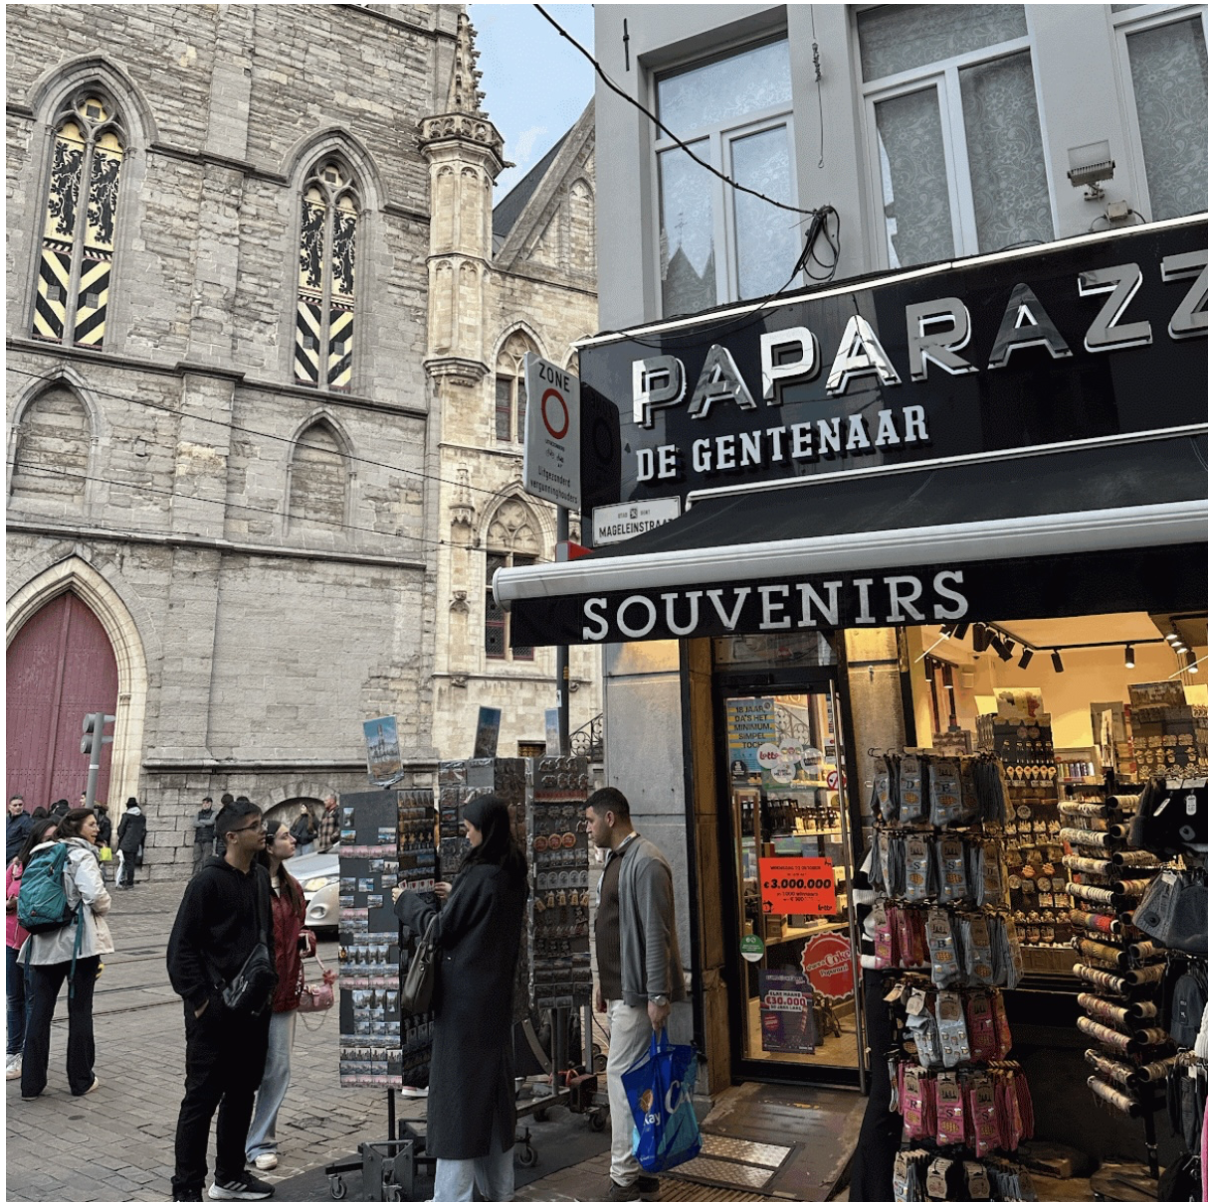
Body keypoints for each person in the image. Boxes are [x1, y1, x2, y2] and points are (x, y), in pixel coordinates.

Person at [392, 794, 527, 1202]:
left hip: (465, 1006)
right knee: (491, 1100)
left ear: (484, 828)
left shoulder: (482, 874)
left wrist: (407, 904)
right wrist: (458, 893)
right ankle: (498, 1189)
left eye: (469, 826)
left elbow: (440, 930)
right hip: (492, 1003)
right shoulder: (509, 870)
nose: (464, 832)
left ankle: (453, 1195)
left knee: (458, 1102)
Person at [166, 798, 276, 1202]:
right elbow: (180, 951)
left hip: (252, 1010)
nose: (262, 831)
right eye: (254, 826)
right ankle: (187, 1188)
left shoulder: (260, 878)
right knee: (201, 1100)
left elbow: (263, 940)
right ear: (231, 836)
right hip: (213, 1014)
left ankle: (230, 1175)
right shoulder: (206, 882)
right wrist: (201, 1004)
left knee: (242, 1093)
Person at [583, 787, 686, 1202]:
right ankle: (641, 1169)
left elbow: (656, 935)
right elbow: (614, 929)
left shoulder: (646, 862)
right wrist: (602, 982)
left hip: (639, 995)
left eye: (590, 821)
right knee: (636, 1081)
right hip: (621, 990)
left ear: (610, 818)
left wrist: (658, 995)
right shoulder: (619, 859)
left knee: (620, 1080)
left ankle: (623, 1176)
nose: (586, 829)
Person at [245, 818, 327, 1171]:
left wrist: (304, 940)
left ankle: (262, 1140)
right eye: (284, 836)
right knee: (248, 1069)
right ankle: (240, 1137)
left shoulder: (292, 886)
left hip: (285, 989)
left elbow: (295, 928)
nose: (293, 839)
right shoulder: (251, 884)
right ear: (267, 845)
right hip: (250, 993)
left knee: (278, 1068)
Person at [19, 809, 113, 1099]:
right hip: (77, 947)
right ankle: (80, 1080)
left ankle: (31, 1084)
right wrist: (104, 904)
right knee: (80, 1011)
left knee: (40, 1013)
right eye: (91, 824)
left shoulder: (41, 853)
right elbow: (95, 897)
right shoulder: (80, 855)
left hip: (43, 944)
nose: (96, 829)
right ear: (76, 828)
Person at [6, 818, 57, 1080]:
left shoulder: (57, 869)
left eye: (56, 839)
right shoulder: (15, 867)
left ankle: (28, 1054)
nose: (51, 844)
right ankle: (13, 1051)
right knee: (14, 999)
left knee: (32, 1001)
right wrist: (9, 904)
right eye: (47, 838)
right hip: (10, 939)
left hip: (38, 942)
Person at [116, 797, 146, 888]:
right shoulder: (142, 817)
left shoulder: (126, 816)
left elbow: (121, 829)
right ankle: (129, 880)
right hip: (136, 843)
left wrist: (120, 839)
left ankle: (127, 882)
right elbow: (143, 831)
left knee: (126, 863)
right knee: (131, 862)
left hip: (126, 842)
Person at [192, 798, 217, 877]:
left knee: (206, 859)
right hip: (198, 839)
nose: (205, 805)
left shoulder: (214, 813)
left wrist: (201, 821)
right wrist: (204, 823)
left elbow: (211, 822)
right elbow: (195, 823)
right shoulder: (198, 813)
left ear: (210, 804)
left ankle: (205, 876)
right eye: (203, 803)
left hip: (208, 839)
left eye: (206, 803)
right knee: (196, 858)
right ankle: (195, 876)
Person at [7, 795, 32, 864]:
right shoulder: (7, 820)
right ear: (9, 807)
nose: (18, 807)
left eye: (20, 805)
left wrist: (19, 856)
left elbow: (28, 840)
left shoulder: (26, 821)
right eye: (15, 805)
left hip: (13, 860)